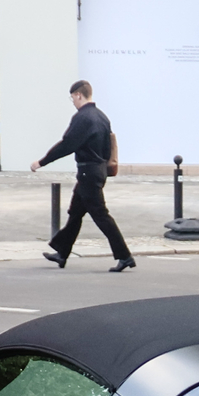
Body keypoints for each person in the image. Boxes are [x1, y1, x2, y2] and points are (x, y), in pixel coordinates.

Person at [31, 80, 135, 273]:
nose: (72, 102)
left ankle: (124, 255)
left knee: (101, 215)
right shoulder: (102, 117)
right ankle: (61, 252)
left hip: (88, 172)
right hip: (97, 171)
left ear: (79, 95)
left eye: (72, 98)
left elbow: (67, 145)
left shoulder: (83, 118)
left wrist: (42, 162)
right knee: (75, 213)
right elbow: (107, 148)